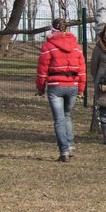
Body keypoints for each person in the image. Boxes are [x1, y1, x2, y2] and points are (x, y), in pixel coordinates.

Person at [36, 18, 87, 162]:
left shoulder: (48, 46)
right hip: (73, 86)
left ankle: (64, 152)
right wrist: (81, 89)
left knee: (59, 120)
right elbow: (82, 70)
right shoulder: (77, 47)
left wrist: (40, 87)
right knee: (67, 115)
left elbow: (42, 69)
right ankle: (69, 146)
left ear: (52, 29)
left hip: (55, 86)